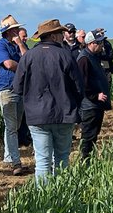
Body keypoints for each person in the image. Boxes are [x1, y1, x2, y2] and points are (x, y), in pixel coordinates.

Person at [14, 19, 84, 182]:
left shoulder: (28, 56)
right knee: (61, 159)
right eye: (60, 33)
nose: (62, 35)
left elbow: (17, 88)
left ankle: (43, 200)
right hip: (64, 115)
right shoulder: (65, 55)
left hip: (36, 116)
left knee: (42, 161)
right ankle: (61, 196)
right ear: (53, 36)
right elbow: (79, 87)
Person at [0, 14, 28, 176]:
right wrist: (23, 67)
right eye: (15, 29)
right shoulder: (0, 46)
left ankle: (8, 156)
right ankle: (15, 161)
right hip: (7, 88)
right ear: (8, 32)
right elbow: (8, 64)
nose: (18, 31)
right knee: (11, 126)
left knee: (16, 124)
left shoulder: (19, 45)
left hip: (20, 89)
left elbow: (28, 59)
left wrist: (20, 44)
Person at [76, 31, 112, 163]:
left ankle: (89, 160)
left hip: (95, 105)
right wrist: (95, 95)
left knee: (93, 135)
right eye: (99, 42)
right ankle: (85, 162)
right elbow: (82, 83)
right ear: (91, 43)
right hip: (89, 105)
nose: (102, 45)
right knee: (88, 136)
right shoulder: (84, 59)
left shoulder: (93, 56)